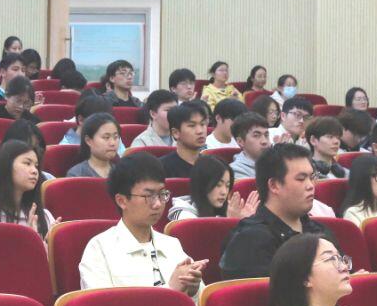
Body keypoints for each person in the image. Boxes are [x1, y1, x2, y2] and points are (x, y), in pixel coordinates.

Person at [79, 153, 205, 294]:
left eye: (162, 194)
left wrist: (193, 291)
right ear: (122, 201)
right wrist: (170, 290)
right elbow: (101, 305)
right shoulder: (99, 249)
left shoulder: (172, 245)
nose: (158, 204)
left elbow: (201, 303)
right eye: (149, 196)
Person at [219, 144, 331, 280]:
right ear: (274, 185)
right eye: (301, 179)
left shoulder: (319, 230)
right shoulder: (249, 240)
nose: (311, 185)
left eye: (312, 177)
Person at [0, 140, 54, 237]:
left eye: (36, 166)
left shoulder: (43, 216)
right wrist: (29, 240)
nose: (35, 171)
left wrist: (47, 243)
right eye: (27, 163)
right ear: (7, 166)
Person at [166, 155, 258, 221]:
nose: (224, 192)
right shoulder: (185, 216)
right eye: (218, 185)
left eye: (227, 186)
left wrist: (246, 221)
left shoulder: (231, 210)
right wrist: (230, 222)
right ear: (202, 184)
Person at [160, 101, 208, 179]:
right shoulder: (161, 168)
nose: (200, 131)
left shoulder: (212, 166)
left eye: (202, 124)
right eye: (192, 126)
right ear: (176, 133)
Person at [66, 112, 121, 178]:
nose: (112, 143)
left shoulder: (122, 173)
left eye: (115, 137)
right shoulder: (77, 174)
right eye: (106, 137)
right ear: (88, 140)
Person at [229, 111, 270, 180]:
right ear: (240, 141)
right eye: (256, 135)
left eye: (266, 135)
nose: (264, 141)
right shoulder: (235, 170)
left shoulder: (276, 162)